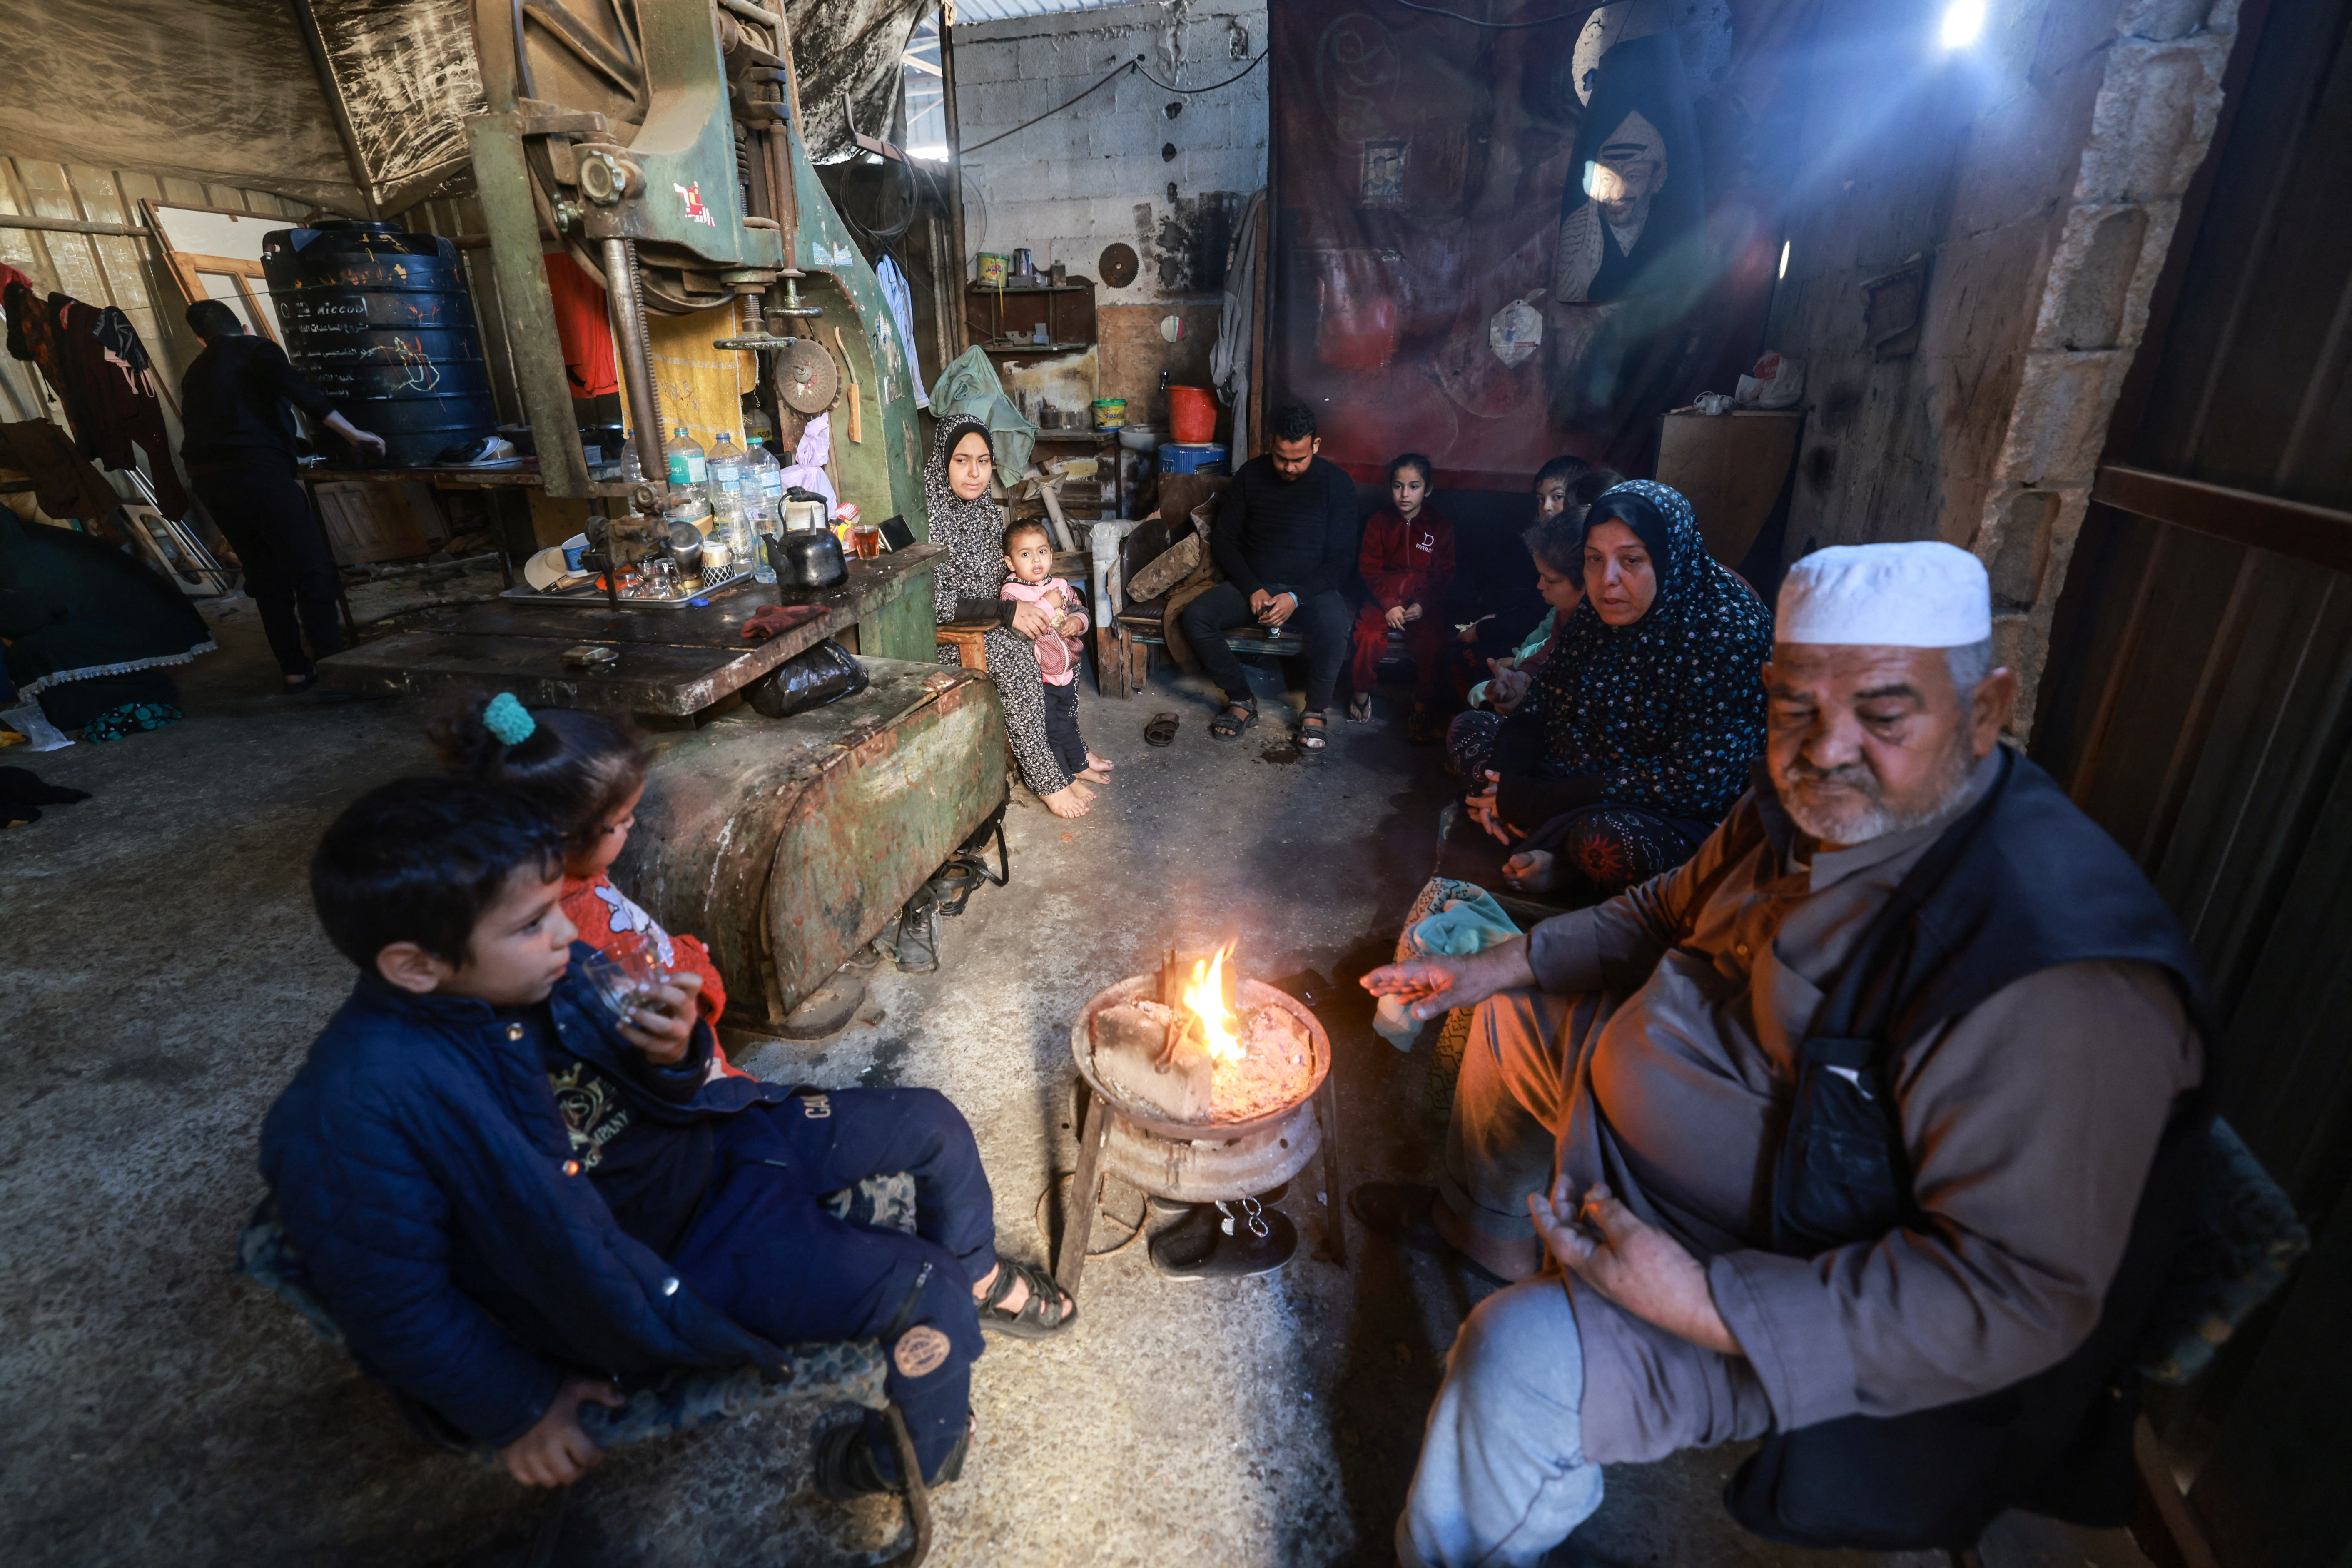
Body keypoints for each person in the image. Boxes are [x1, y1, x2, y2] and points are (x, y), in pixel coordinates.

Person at [1357, 542, 2210, 1567]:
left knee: (1511, 1360)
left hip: (1760, 1258)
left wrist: (1708, 1303)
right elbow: (1658, 908)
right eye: (1794, 706)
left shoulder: (2039, 966)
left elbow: (2012, 1293)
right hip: (1643, 1122)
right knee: (1504, 1016)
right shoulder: (1785, 807)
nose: (1824, 747)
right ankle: (1485, 1235)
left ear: (1984, 708)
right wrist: (1504, 962)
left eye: (1884, 714)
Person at [262, 778, 1074, 1503]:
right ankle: (898, 1462)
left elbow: (675, 1084)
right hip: (679, 1252)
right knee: (918, 1286)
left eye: (557, 907)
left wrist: (679, 1048)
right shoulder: (352, 1105)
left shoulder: (545, 968)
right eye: (532, 922)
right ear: (414, 965)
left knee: (930, 1120)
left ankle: (975, 1275)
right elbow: (392, 1301)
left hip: (730, 1141)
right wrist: (516, 1407)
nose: (564, 934)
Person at [1456, 479, 1771, 902]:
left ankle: (1562, 860)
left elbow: (1692, 783)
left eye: (1631, 561)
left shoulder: (1726, 629)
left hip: (1661, 806)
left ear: (1667, 557)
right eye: (1593, 559)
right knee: (1471, 730)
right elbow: (1545, 696)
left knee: (1608, 843)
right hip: (1577, 767)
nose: (1606, 580)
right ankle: (1518, 820)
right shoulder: (1597, 608)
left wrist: (1536, 800)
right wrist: (1508, 780)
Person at [434, 690, 737, 1051]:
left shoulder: (578, 872)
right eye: (622, 819)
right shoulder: (561, 924)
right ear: (564, 837)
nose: (633, 823)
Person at [177, 299, 385, 692]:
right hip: (256, 475)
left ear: (201, 339)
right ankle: (332, 663)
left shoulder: (195, 371)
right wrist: (352, 433)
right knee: (313, 569)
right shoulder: (256, 349)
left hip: (210, 482)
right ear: (243, 325)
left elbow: (233, 422)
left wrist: (291, 445)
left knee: (266, 574)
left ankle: (295, 669)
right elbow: (296, 387)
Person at [926, 415, 1106, 818]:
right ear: (942, 461)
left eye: (984, 460)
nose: (975, 473)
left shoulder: (987, 513)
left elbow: (1007, 576)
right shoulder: (927, 516)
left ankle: (1071, 751)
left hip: (996, 618)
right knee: (1019, 656)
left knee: (1062, 642)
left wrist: (1053, 607)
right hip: (951, 636)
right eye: (961, 460)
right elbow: (936, 603)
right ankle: (1048, 778)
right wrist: (1009, 612)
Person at [1177, 403, 1358, 753]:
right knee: (1197, 616)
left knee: (1336, 623)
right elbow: (1226, 541)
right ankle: (1242, 699)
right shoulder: (1250, 475)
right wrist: (1252, 588)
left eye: (1300, 459)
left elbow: (1342, 560)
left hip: (1311, 591)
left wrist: (1296, 598)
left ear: (1316, 446)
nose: (1290, 467)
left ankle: (1316, 710)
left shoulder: (1338, 485)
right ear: (1271, 442)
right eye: (1281, 457)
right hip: (1256, 586)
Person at [1443, 463, 1620, 783]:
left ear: (1590, 578)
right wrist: (1520, 685)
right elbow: (1549, 654)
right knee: (1468, 727)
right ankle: (1501, 801)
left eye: (1550, 581)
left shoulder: (1629, 630)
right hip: (1558, 742)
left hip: (1596, 770)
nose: (1541, 587)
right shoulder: (1570, 614)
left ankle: (1510, 806)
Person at [1440, 456, 1598, 707]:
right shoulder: (1541, 548)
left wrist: (1512, 658)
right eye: (1540, 499)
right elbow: (1547, 625)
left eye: (1557, 497)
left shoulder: (1582, 562)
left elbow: (1540, 621)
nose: (1546, 507)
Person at [1345, 453, 1453, 738]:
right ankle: (1361, 690)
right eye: (1398, 486)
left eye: (1414, 487)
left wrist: (1422, 604)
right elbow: (1369, 568)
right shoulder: (1379, 523)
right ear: (1390, 487)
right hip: (1383, 599)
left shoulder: (1439, 526)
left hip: (1421, 605)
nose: (1405, 495)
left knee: (1434, 641)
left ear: (1427, 489)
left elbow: (1444, 574)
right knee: (1367, 635)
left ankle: (1424, 700)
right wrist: (1389, 604)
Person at [998, 518, 1099, 791]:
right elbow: (1022, 632)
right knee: (1051, 731)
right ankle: (1065, 778)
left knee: (1069, 721)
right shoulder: (1011, 594)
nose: (1036, 561)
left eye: (1042, 552)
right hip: (1040, 676)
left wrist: (1077, 622)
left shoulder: (1062, 585)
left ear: (1052, 555)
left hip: (1067, 670)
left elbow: (1080, 610)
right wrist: (1047, 603)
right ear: (1011, 563)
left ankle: (1079, 764)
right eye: (1025, 554)